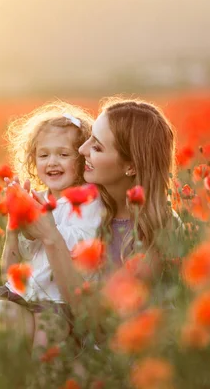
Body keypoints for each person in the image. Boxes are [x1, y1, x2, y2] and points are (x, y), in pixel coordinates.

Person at [0, 102, 102, 355]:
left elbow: (82, 248)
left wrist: (44, 224)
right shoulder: (39, 199)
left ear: (82, 160)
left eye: (63, 154)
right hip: (20, 295)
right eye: (44, 155)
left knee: (42, 354)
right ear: (33, 161)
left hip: (59, 304)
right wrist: (14, 224)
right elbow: (9, 272)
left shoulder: (89, 200)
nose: (52, 162)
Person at [20, 97, 178, 324]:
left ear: (130, 166)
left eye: (96, 146)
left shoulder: (156, 232)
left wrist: (51, 236)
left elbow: (99, 322)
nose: (82, 149)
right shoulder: (84, 209)